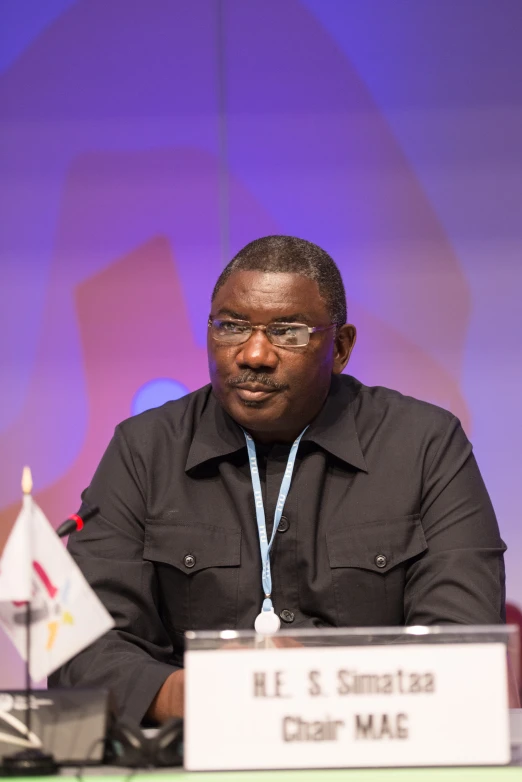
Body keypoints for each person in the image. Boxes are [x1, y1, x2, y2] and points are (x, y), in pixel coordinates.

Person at [48, 235, 506, 724]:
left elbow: (464, 639)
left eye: (288, 332)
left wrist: (316, 685)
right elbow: (78, 646)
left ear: (341, 348)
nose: (255, 354)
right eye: (231, 327)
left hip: (373, 749)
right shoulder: (145, 449)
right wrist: (188, 694)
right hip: (197, 752)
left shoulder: (423, 445)